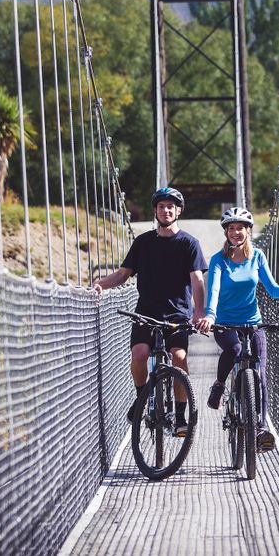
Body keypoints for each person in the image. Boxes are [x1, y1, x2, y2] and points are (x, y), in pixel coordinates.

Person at [94, 187, 207, 437]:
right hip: (145, 313)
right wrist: (100, 284)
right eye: (161, 206)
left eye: (171, 206)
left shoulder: (189, 243)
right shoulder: (143, 242)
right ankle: (141, 397)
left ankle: (179, 416)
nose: (166, 210)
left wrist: (199, 312)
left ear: (178, 211)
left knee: (178, 356)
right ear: (155, 210)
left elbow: (197, 279)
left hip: (177, 316)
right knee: (139, 354)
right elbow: (123, 275)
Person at [195, 207, 279, 451]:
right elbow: (213, 291)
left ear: (248, 231)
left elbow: (273, 290)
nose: (235, 232)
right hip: (224, 322)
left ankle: (262, 428)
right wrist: (210, 315)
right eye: (231, 228)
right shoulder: (218, 260)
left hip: (253, 321)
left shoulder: (258, 257)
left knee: (260, 372)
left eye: (240, 228)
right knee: (233, 348)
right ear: (226, 232)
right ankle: (220, 385)